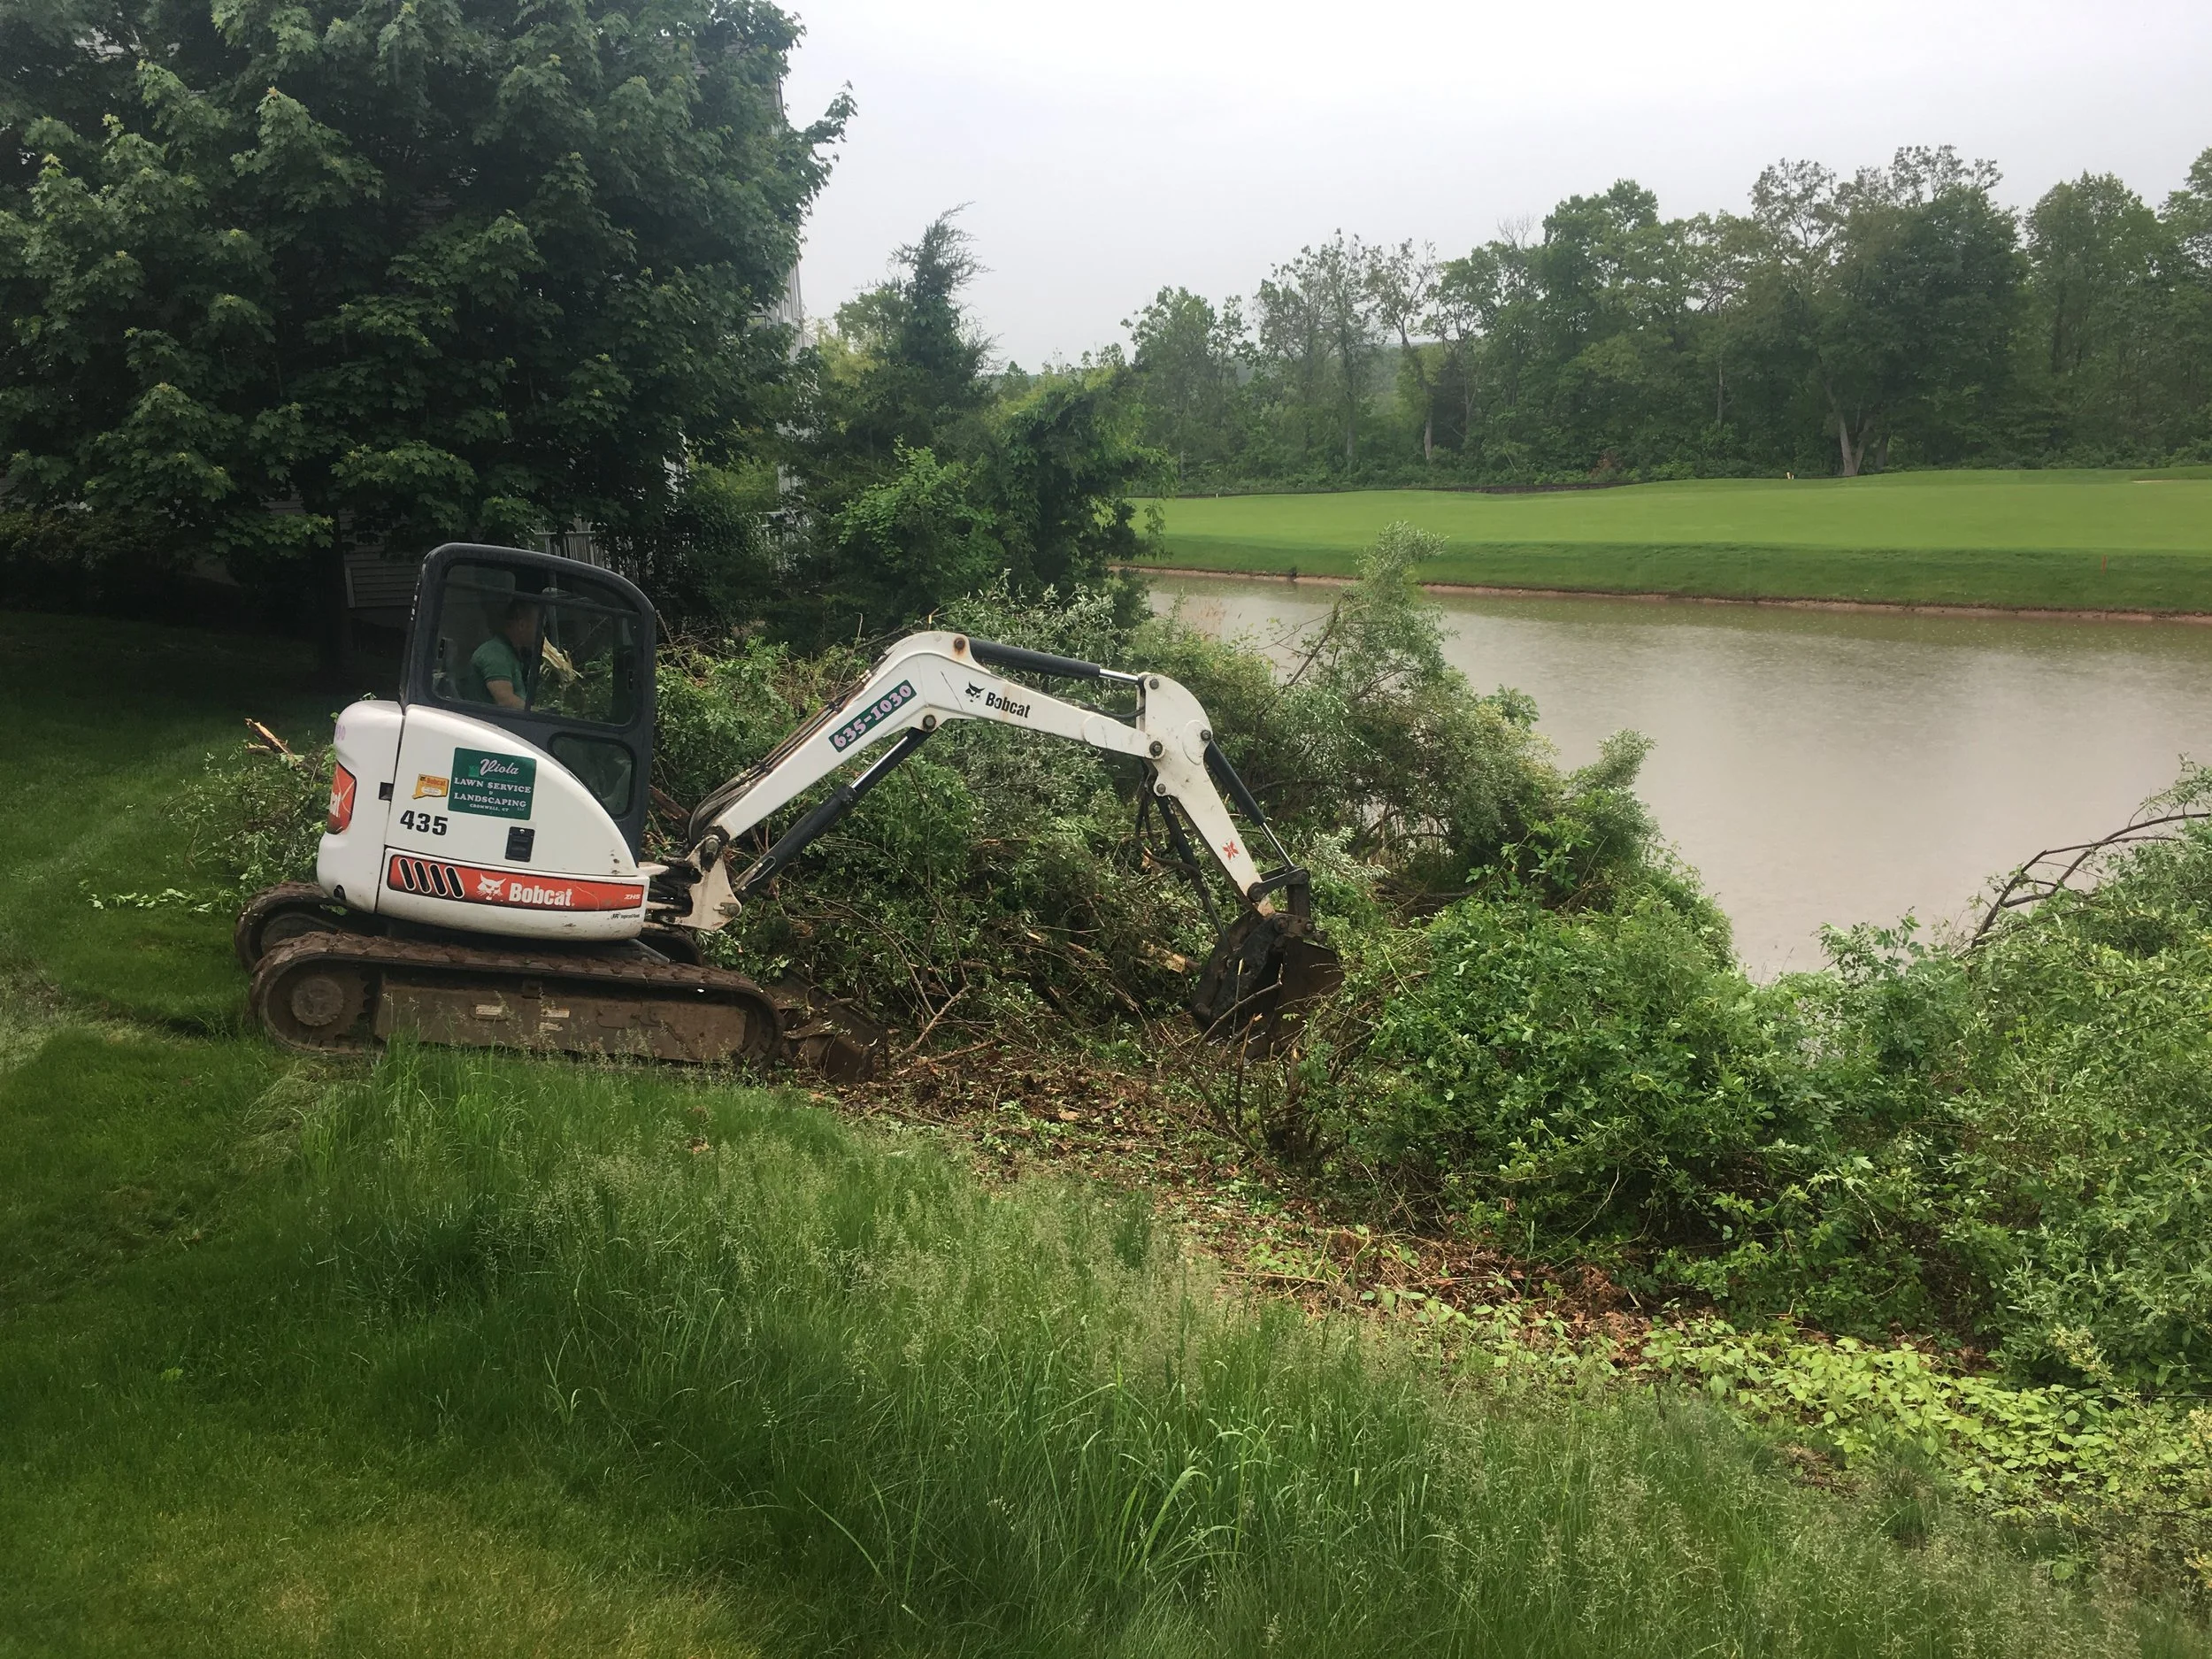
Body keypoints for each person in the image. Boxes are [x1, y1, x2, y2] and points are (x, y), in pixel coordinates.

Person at [461, 596, 542, 709]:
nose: (541, 633)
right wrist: (540, 713)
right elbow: (506, 701)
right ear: (522, 625)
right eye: (538, 626)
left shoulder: (511, 653)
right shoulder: (495, 653)